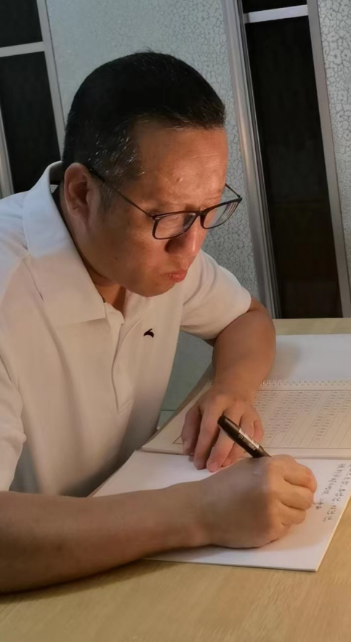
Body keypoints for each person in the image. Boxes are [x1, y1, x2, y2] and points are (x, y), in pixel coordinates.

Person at [0, 52, 316, 593]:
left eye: (207, 212)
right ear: (81, 193)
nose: (191, 247)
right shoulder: (10, 287)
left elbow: (247, 318)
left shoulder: (150, 255)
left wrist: (233, 389)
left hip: (126, 555)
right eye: (169, 217)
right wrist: (203, 512)